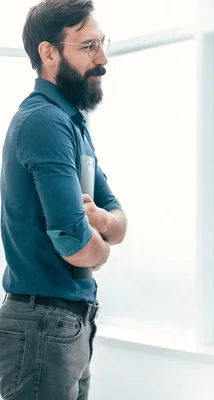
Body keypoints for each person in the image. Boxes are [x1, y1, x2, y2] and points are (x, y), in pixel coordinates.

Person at [0, 1, 126, 399]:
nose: (102, 58)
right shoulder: (45, 122)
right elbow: (75, 245)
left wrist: (102, 225)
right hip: (43, 321)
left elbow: (119, 218)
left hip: (67, 322)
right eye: (88, 46)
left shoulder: (71, 124)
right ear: (49, 52)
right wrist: (103, 247)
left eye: (101, 43)